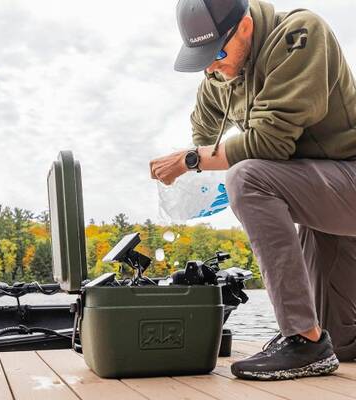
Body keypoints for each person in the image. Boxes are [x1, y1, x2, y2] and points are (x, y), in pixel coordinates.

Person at [150, 0, 356, 380]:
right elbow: (204, 128)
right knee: (342, 344)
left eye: (217, 54)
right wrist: (194, 180)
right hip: (320, 203)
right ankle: (317, 342)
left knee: (246, 177)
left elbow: (271, 143)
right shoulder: (222, 73)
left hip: (349, 180)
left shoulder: (299, 35)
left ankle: (303, 340)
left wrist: (191, 160)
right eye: (203, 58)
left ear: (244, 27)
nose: (212, 66)